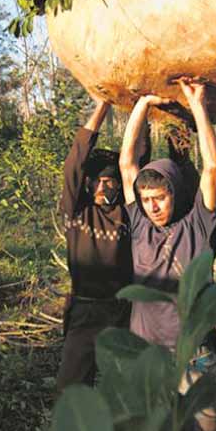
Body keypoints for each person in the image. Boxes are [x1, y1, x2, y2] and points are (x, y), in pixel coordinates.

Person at [119, 79, 216, 431]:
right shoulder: (139, 225)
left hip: (194, 356)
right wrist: (144, 103)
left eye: (159, 197)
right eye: (146, 199)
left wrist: (198, 105)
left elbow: (212, 166)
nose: (152, 206)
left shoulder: (197, 221)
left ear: (174, 193)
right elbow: (126, 163)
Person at [57, 99, 148, 391]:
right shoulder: (77, 210)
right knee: (71, 386)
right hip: (84, 310)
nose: (102, 188)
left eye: (109, 181)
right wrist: (104, 105)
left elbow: (138, 160)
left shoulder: (128, 211)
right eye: (96, 181)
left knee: (124, 386)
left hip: (121, 311)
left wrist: (142, 108)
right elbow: (76, 157)